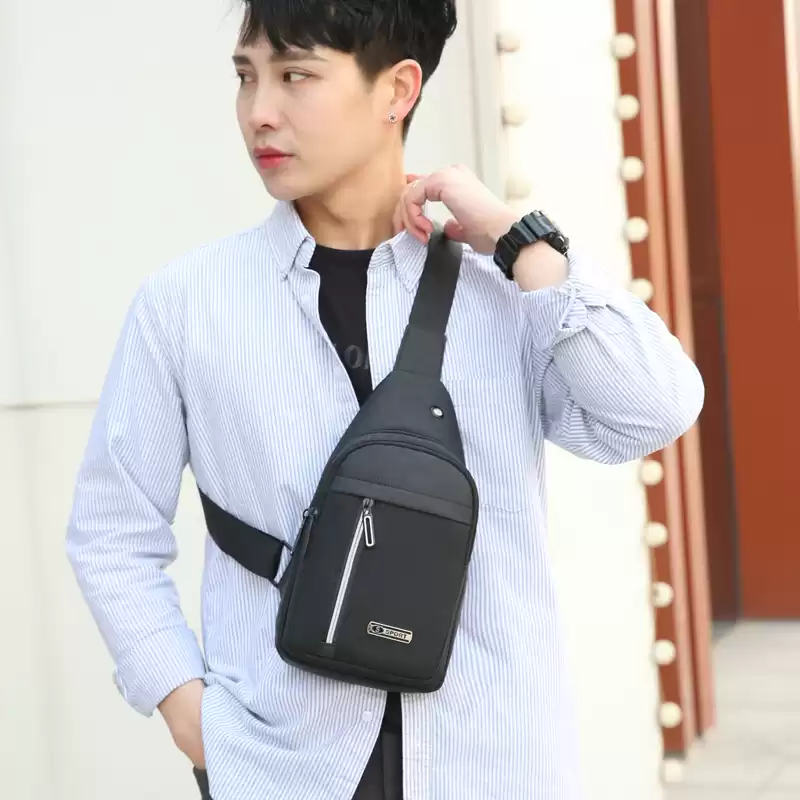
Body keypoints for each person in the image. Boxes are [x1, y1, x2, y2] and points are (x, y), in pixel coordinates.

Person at [66, 1, 705, 799]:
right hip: (282, 767)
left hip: (491, 764)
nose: (259, 111)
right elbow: (110, 530)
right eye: (246, 77)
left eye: (296, 76)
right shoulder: (188, 304)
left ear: (397, 89)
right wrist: (187, 709)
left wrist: (520, 239)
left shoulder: (500, 293)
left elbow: (653, 409)